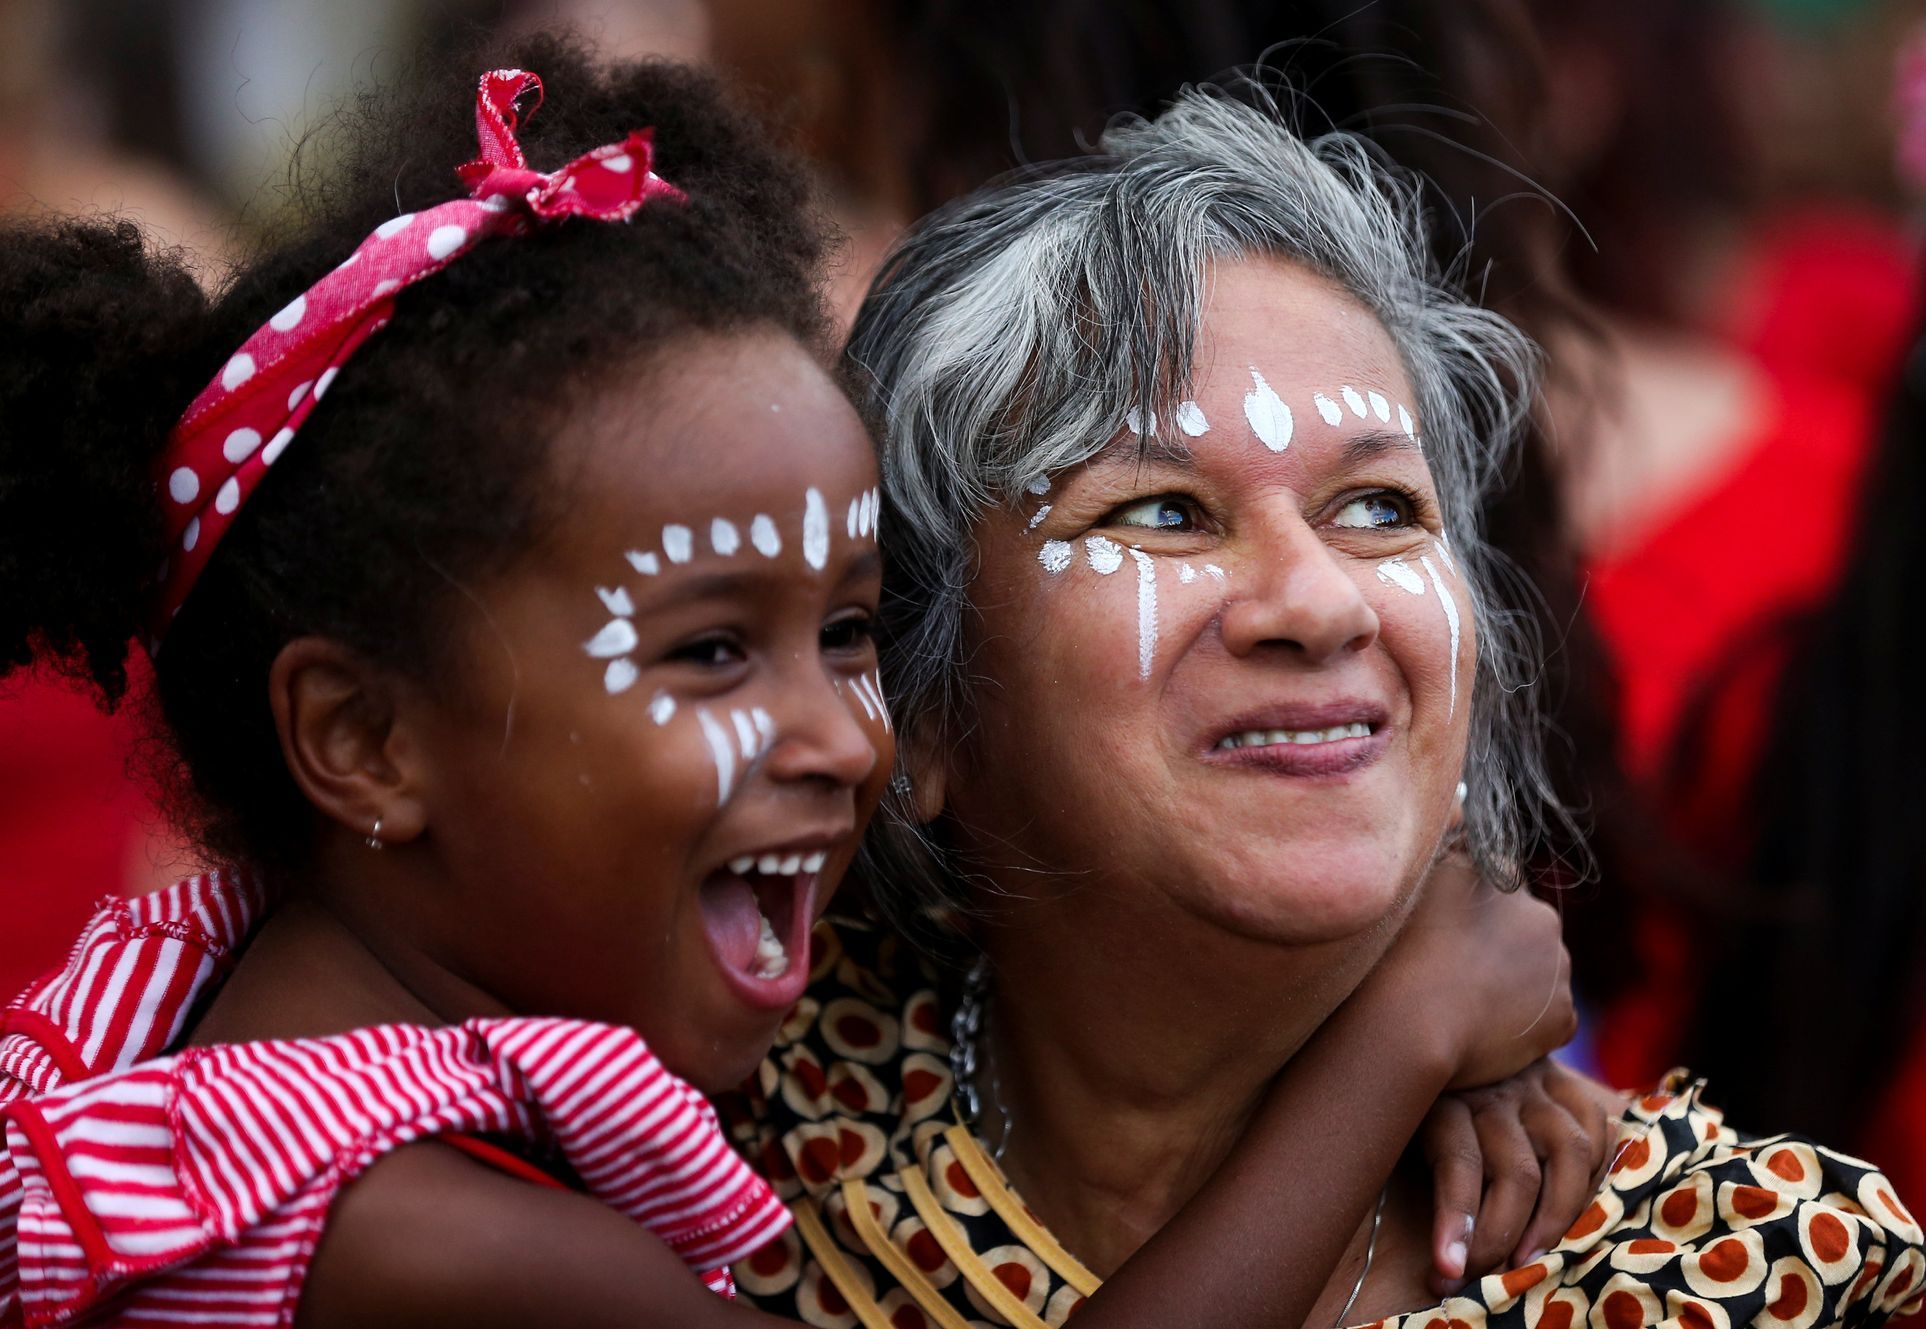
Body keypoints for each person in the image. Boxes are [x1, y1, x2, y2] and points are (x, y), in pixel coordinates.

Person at [0, 37, 1644, 1329]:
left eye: (854, 630)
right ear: (361, 737)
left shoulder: (215, 1002)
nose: (842, 729)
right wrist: (1402, 1033)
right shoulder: (437, 1234)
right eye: (712, 645)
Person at [728, 86, 1926, 1328]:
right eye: (1162, 512)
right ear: (921, 713)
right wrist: (1404, 1040)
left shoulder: (1741, 1272)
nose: (1318, 602)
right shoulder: (755, 1117)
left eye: (1378, 509)